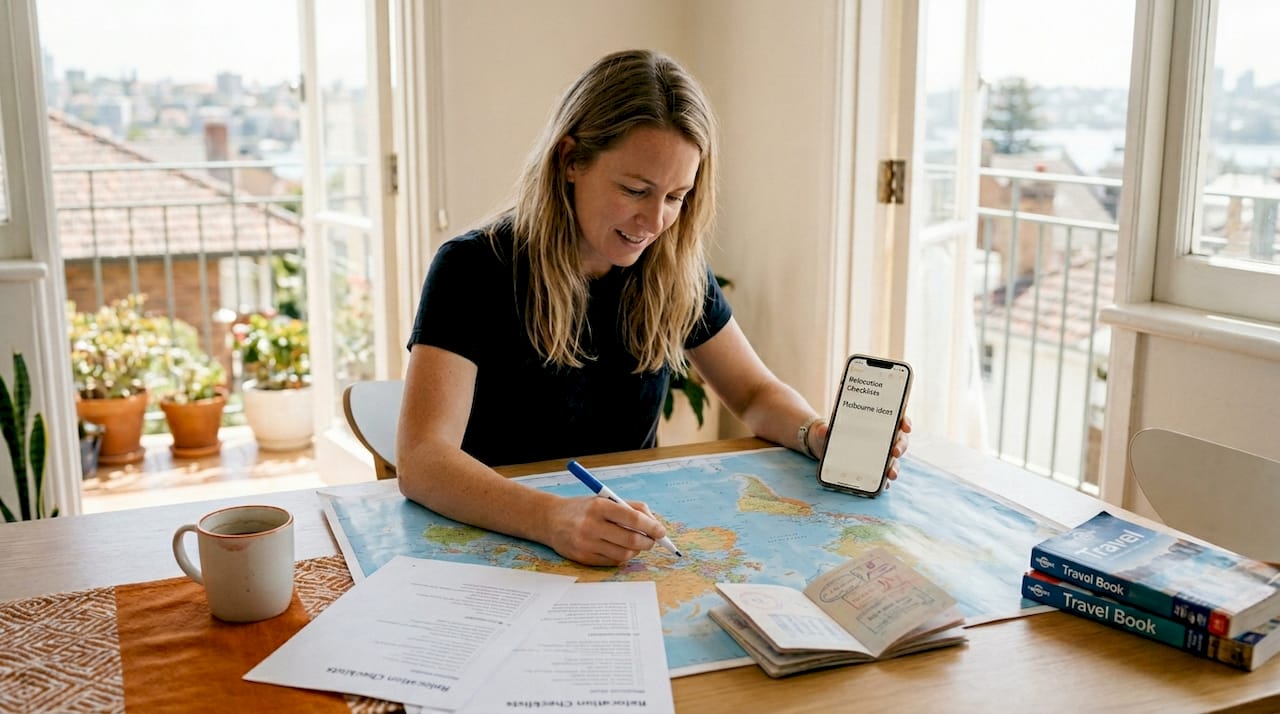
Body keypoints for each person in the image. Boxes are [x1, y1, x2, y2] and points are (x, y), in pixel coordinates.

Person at [397, 49, 911, 566]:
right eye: (635, 190)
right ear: (570, 160)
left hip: (618, 542)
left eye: (676, 196)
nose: (654, 220)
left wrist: (814, 433)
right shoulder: (472, 268)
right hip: (497, 541)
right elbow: (423, 460)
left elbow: (753, 393)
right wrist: (551, 518)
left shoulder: (672, 268)